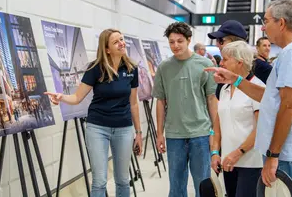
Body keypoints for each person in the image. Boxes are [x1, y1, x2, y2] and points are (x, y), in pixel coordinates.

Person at [205, 0, 292, 186]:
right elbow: (271, 98)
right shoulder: (284, 56)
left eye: (267, 21)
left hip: (285, 153)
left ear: (281, 23)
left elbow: (288, 106)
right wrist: (235, 79)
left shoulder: (289, 54)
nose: (262, 28)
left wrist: (273, 153)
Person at [45, 28, 143, 197]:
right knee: (99, 181)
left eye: (121, 39)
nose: (121, 43)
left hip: (124, 128)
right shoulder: (96, 68)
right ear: (106, 49)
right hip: (98, 128)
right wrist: (61, 97)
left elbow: (133, 103)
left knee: (122, 179)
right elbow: (77, 97)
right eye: (116, 42)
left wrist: (139, 133)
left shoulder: (132, 69)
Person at [152, 22, 218, 197]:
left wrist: (215, 132)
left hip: (201, 133)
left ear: (189, 40)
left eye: (179, 41)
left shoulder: (204, 64)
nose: (175, 45)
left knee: (203, 185)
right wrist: (160, 133)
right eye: (172, 42)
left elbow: (211, 98)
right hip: (174, 135)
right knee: (176, 186)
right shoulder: (164, 67)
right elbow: (160, 101)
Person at [211, 41, 264, 197]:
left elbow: (261, 128)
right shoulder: (225, 88)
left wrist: (238, 152)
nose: (221, 63)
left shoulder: (256, 88)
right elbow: (218, 123)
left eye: (225, 59)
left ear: (239, 62)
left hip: (251, 162)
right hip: (228, 162)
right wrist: (215, 151)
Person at [207, 20, 248, 100]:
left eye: (221, 40)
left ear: (236, 42)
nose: (217, 44)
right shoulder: (224, 71)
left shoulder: (257, 68)